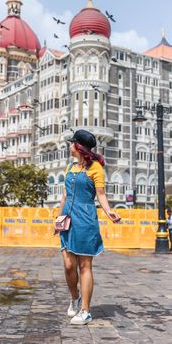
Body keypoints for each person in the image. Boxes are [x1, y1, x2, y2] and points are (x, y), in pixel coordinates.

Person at [56, 129, 121, 325]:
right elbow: (65, 196)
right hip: (67, 217)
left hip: (85, 218)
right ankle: (74, 298)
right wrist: (58, 219)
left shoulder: (96, 168)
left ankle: (85, 311)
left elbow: (101, 195)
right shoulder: (69, 167)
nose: (69, 146)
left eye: (71, 143)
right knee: (68, 265)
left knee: (85, 265)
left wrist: (109, 212)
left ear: (78, 146)